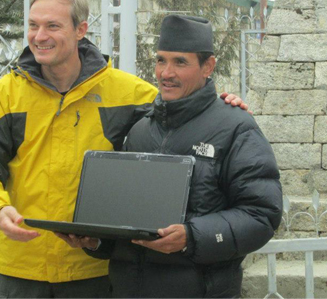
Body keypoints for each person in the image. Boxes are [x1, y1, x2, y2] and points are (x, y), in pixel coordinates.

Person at [0, 0, 248, 298]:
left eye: (52, 26)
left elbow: (184, 113)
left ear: (81, 29)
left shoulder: (129, 93)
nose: (39, 36)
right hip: (19, 270)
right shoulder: (3, 95)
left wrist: (219, 102)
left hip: (95, 272)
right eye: (33, 25)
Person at [59, 15, 283, 298]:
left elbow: (261, 214)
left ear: (208, 67)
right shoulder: (139, 131)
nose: (166, 73)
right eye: (161, 60)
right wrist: (95, 241)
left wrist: (191, 237)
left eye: (180, 62)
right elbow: (127, 223)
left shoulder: (236, 128)